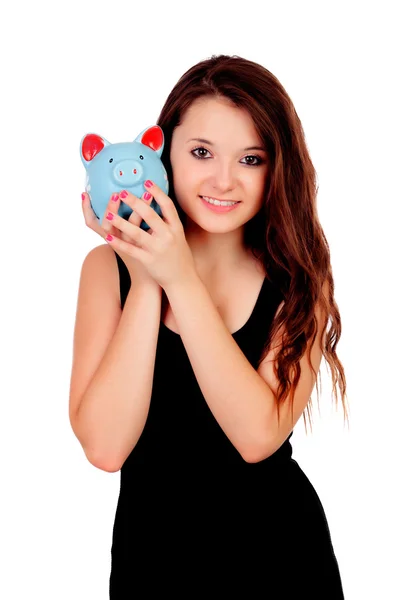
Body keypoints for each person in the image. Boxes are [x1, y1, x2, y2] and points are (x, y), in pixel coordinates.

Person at [70, 54, 349, 598]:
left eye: (250, 158)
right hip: (152, 564)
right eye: (201, 152)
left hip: (282, 563)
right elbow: (104, 447)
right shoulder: (106, 271)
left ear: (276, 169)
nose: (224, 179)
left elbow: (256, 437)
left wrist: (181, 279)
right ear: (162, 152)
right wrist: (146, 275)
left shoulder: (300, 282)